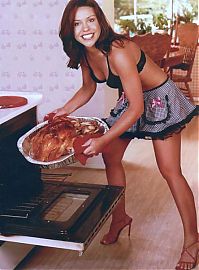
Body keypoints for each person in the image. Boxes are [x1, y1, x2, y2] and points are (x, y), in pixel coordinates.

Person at [49, 0, 199, 269]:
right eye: (77, 23)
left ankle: (192, 239)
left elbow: (138, 107)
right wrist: (64, 109)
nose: (85, 28)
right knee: (111, 157)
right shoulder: (84, 53)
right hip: (132, 99)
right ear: (69, 29)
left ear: (100, 21)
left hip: (159, 99)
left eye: (91, 20)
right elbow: (87, 89)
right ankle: (120, 217)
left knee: (170, 171)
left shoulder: (117, 52)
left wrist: (104, 138)